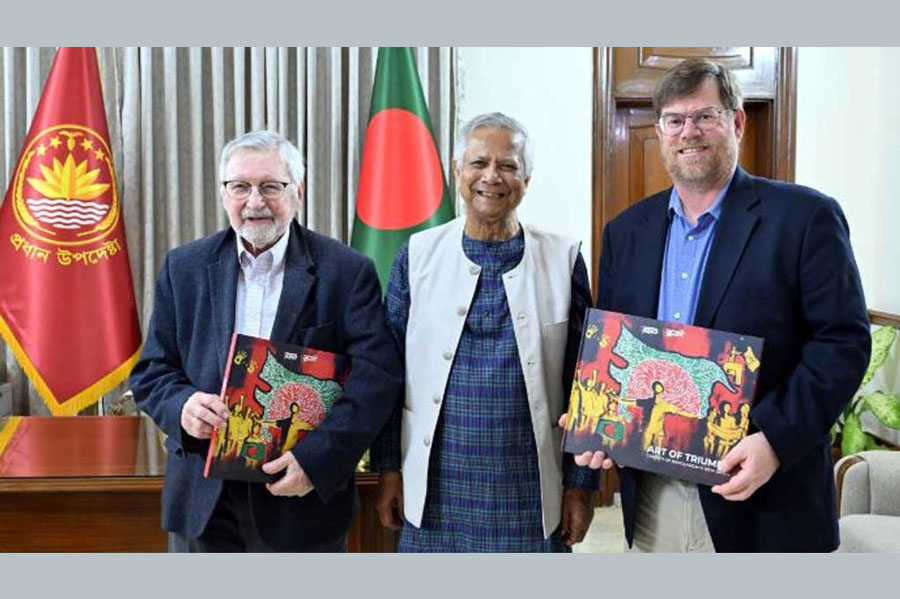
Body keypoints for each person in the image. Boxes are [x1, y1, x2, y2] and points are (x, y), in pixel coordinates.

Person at [575, 59, 870, 552]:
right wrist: (602, 422)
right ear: (661, 132)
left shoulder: (805, 217)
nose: (688, 132)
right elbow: (614, 347)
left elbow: (843, 344)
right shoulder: (626, 232)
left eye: (704, 116)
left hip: (765, 498)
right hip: (654, 500)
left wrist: (774, 441)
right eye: (674, 120)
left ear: (737, 122)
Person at [129, 130, 403, 552]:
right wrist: (182, 406)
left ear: (298, 192)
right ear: (224, 194)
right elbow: (152, 370)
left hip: (301, 502)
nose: (254, 202)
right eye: (240, 186)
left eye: (271, 187)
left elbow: (376, 379)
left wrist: (317, 461)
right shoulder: (183, 268)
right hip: (203, 505)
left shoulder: (347, 272)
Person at [370, 112, 598, 552]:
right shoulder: (416, 255)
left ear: (527, 179)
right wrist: (388, 469)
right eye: (478, 163)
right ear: (457, 170)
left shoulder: (563, 259)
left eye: (508, 165)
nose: (492, 176)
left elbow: (584, 384)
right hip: (434, 488)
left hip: (531, 491)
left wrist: (581, 485)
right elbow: (388, 373)